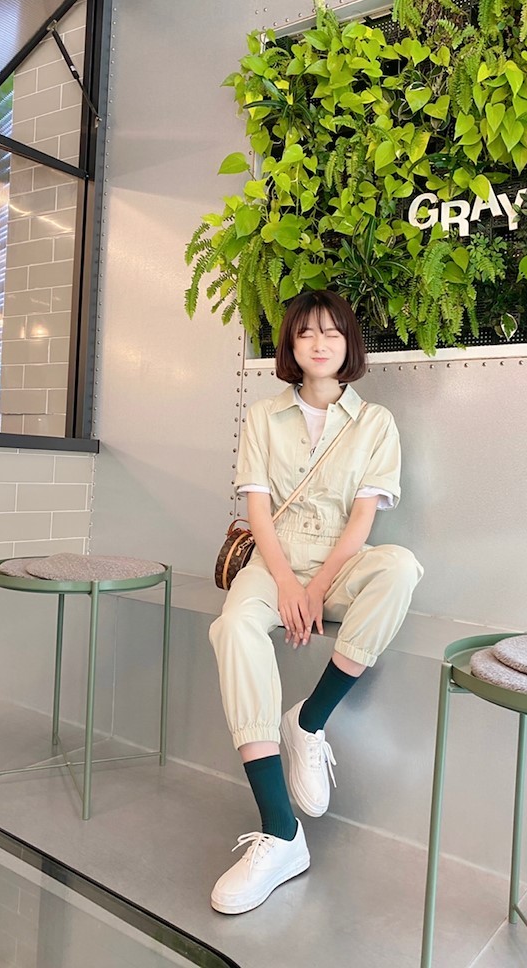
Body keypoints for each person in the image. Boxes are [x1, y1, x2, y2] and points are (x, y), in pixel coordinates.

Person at [209, 289, 423, 915]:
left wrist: (317, 587)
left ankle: (307, 721)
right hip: (274, 559)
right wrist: (285, 582)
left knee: (400, 567)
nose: (320, 343)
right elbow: (257, 511)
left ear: (349, 342)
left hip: (339, 559)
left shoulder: (375, 422)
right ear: (291, 345)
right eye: (306, 333)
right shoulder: (262, 416)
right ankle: (281, 833)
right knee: (233, 628)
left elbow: (361, 521)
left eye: (332, 331)